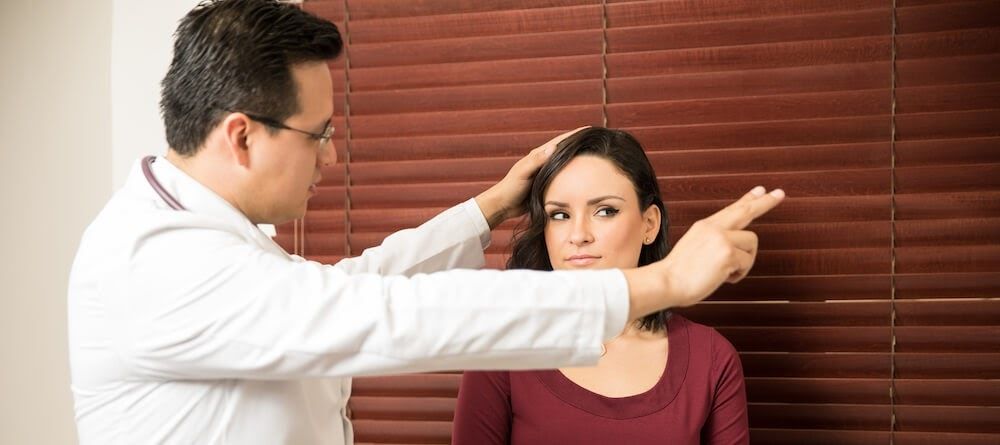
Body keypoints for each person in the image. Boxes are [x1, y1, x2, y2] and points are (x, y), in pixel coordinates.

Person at [67, 1, 782, 444]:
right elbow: (384, 314)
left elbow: (353, 286)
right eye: (317, 135)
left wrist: (490, 205)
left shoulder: (211, 241)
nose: (333, 155)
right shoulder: (154, 263)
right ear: (243, 136)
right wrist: (662, 280)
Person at [452, 128, 751, 444]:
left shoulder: (713, 359)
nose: (578, 234)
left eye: (605, 210)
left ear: (649, 224)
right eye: (560, 214)